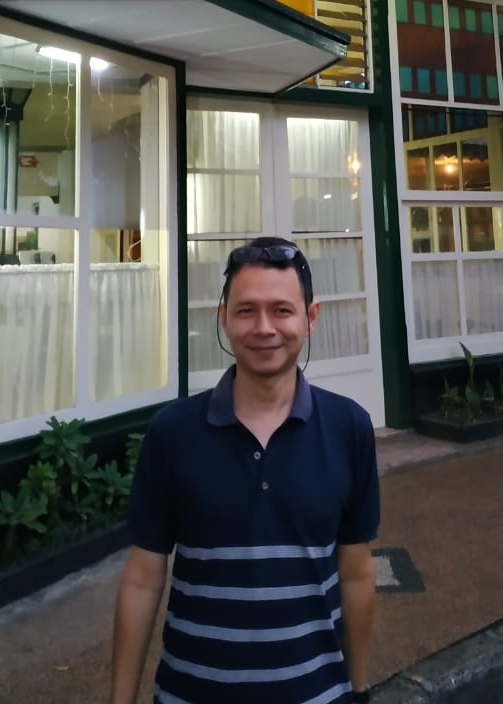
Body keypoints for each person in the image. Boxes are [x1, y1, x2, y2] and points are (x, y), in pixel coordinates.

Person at [111, 236, 380, 704]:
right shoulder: (172, 432)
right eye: (246, 311)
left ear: (310, 318)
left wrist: (358, 691)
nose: (264, 328)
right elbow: (142, 579)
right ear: (224, 319)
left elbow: (355, 573)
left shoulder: (349, 428)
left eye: (281, 310)